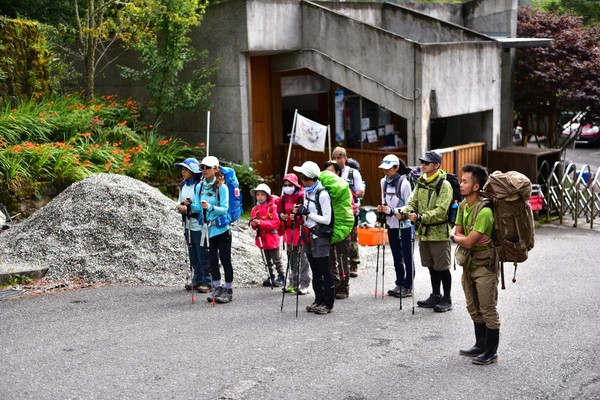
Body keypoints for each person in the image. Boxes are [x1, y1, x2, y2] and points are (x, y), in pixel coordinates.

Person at [451, 164, 499, 365]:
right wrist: (460, 237)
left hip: (484, 266)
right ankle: (480, 345)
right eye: (461, 181)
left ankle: (491, 352)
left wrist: (459, 237)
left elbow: (465, 240)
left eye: (464, 181)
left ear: (476, 186)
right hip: (468, 266)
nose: (460, 185)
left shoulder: (485, 211)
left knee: (488, 309)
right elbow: (456, 232)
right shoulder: (463, 206)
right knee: (473, 307)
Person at [401, 150, 453, 312]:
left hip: (439, 233)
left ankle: (447, 298)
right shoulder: (421, 181)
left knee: (442, 267)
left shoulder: (444, 185)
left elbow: (441, 211)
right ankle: (435, 295)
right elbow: (412, 201)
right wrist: (404, 212)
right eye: (422, 162)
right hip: (424, 232)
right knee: (431, 266)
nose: (422, 165)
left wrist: (420, 217)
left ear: (437, 165)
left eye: (426, 163)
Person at [191, 156, 235, 304]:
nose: (204, 170)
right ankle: (216, 287)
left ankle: (228, 290)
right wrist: (188, 206)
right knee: (212, 261)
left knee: (225, 260)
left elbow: (224, 210)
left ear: (215, 169)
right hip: (208, 230)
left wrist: (210, 208)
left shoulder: (222, 188)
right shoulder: (200, 186)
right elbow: (198, 207)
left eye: (207, 168)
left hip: (222, 229)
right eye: (202, 167)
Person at [292, 161, 334, 315]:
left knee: (324, 270)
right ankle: (318, 300)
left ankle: (328, 303)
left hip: (319, 236)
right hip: (308, 235)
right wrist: (299, 213)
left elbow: (327, 219)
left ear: (307, 178)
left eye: (302, 177)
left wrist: (307, 213)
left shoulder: (322, 194)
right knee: (315, 270)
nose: (300, 181)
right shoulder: (307, 192)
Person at [376, 154, 414, 298]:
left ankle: (408, 285)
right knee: (396, 254)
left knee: (406, 254)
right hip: (391, 224)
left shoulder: (404, 183)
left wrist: (392, 211)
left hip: (404, 224)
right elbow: (383, 200)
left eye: (388, 168)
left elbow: (409, 205)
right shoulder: (383, 182)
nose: (385, 171)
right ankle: (399, 283)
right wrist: (381, 208)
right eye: (383, 168)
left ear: (396, 168)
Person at [175, 157, 211, 293]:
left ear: (193, 171)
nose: (183, 172)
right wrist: (180, 207)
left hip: (199, 225)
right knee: (193, 253)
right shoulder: (183, 185)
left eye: (186, 169)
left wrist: (189, 208)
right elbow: (179, 201)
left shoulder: (200, 185)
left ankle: (207, 281)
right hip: (188, 225)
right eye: (182, 169)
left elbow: (202, 205)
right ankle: (197, 278)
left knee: (202, 253)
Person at [332, 146, 364, 278]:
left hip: (351, 211)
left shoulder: (352, 173)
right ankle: (339, 263)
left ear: (345, 158)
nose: (336, 159)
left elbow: (361, 192)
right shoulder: (331, 173)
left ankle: (354, 263)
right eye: (334, 157)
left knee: (352, 238)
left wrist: (346, 195)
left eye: (339, 157)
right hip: (336, 211)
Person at [323, 160, 352, 299]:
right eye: (326, 172)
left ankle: (344, 287)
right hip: (328, 227)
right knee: (329, 259)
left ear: (338, 173)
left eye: (332, 172)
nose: (329, 175)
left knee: (342, 258)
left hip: (342, 228)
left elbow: (351, 208)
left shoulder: (344, 188)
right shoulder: (321, 189)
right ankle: (334, 284)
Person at [278, 174, 311, 295]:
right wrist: (281, 216)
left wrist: (297, 217)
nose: (287, 187)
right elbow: (279, 212)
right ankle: (293, 283)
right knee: (291, 258)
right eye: (285, 185)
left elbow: (307, 214)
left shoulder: (302, 196)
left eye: (290, 185)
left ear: (295, 185)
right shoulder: (283, 198)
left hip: (301, 231)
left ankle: (305, 284)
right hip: (289, 232)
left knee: (303, 259)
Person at [250, 183, 286, 287]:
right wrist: (253, 224)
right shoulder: (255, 209)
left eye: (262, 194)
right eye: (257, 194)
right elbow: (253, 225)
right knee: (266, 259)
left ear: (267, 196)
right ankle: (270, 275)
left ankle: (281, 276)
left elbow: (275, 223)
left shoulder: (273, 208)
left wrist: (261, 223)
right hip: (261, 239)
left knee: (276, 259)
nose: (259, 197)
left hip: (272, 238)